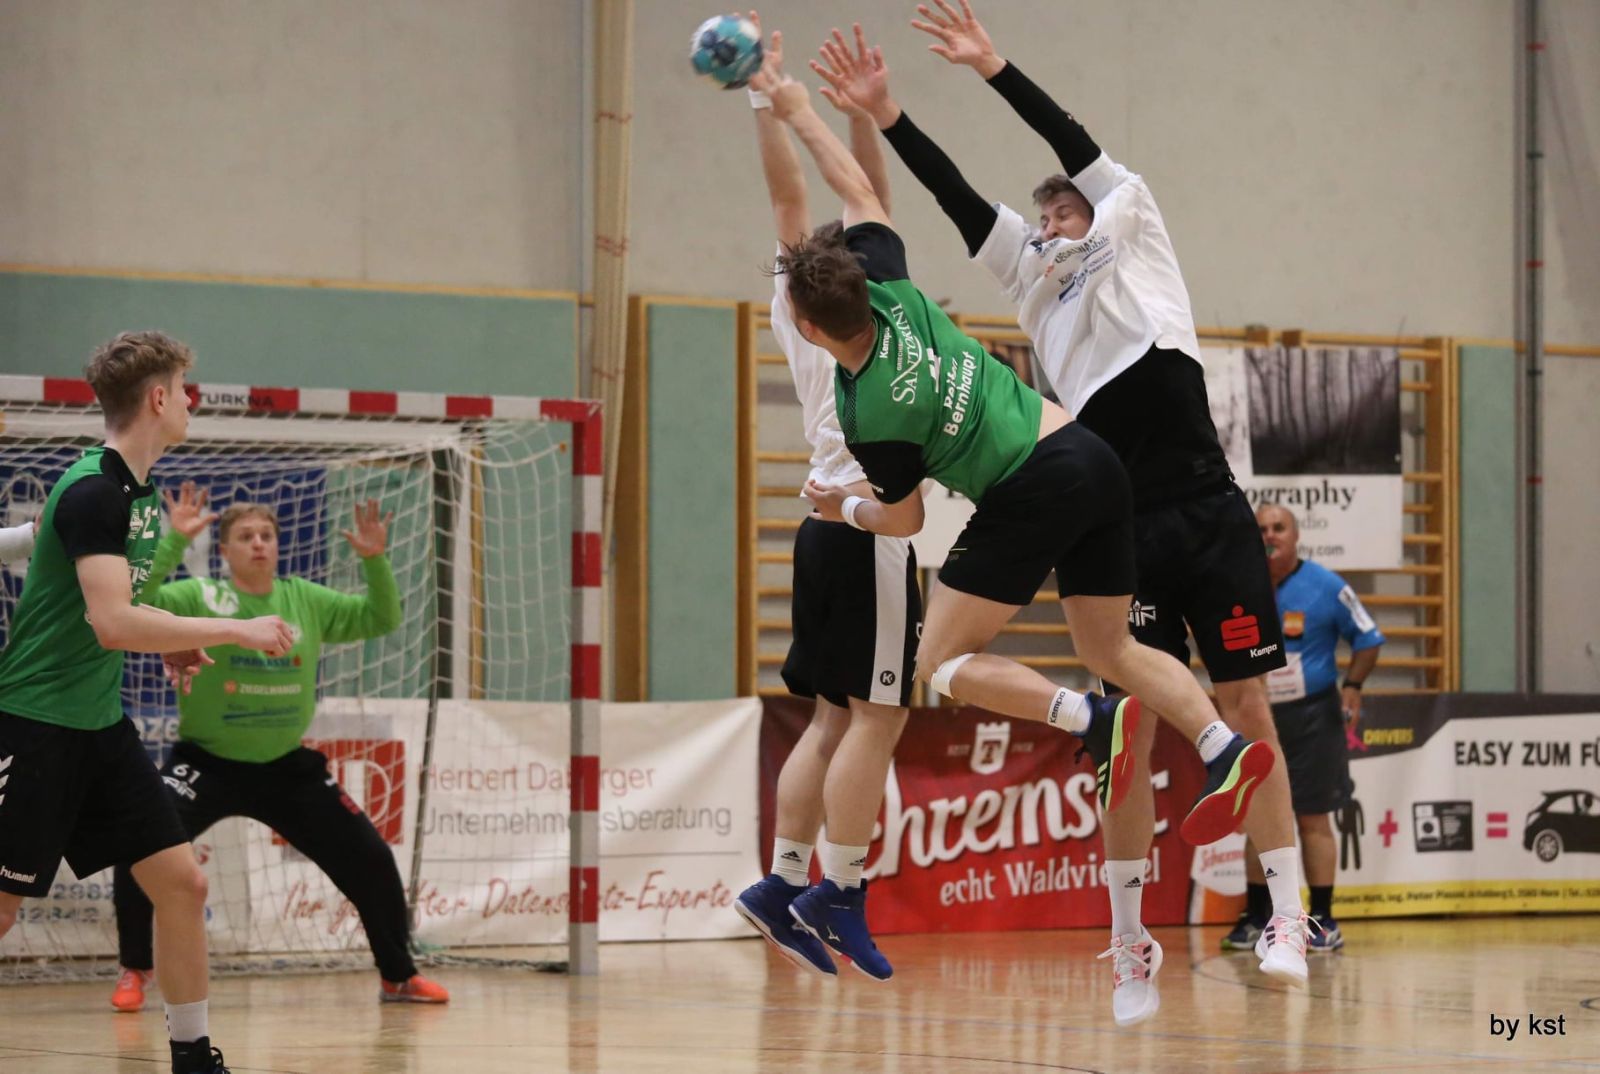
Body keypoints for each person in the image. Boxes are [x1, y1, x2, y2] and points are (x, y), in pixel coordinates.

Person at [758, 28, 1277, 1015]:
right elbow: (864, 194)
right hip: (1093, 455)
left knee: (939, 666)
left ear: (814, 332)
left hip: (1034, 483)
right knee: (1111, 645)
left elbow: (903, 515)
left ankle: (1087, 721)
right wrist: (811, 114)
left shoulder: (869, 412)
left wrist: (840, 504)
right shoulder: (896, 286)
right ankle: (1217, 744)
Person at [0, 330, 295, 1074]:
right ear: (158, 398)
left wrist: (167, 636)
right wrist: (235, 628)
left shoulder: (133, 494)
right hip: (35, 724)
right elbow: (111, 623)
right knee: (1, 909)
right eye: (185, 389)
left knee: (182, 884)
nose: (192, 400)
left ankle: (193, 1056)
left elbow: (114, 609)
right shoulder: (95, 491)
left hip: (101, 728)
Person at [732, 17, 920, 982]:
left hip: (815, 527)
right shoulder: (880, 319)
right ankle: (839, 891)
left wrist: (764, 99)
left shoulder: (797, 305)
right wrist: (856, 113)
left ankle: (782, 879)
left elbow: (793, 197)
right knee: (878, 718)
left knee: (831, 720)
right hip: (866, 523)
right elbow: (867, 197)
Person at [108, 487, 449, 1009]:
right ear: (224, 550)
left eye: (267, 535)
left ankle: (398, 977)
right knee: (139, 845)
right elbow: (136, 600)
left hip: (285, 769)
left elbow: (380, 619)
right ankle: (136, 968)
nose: (259, 544)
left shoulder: (305, 599)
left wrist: (374, 560)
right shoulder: (200, 597)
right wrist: (175, 539)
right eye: (246, 536)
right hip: (205, 763)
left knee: (372, 858)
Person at [1222, 504, 1384, 953]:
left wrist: (1353, 685)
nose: (1270, 536)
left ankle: (1323, 919)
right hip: (1258, 714)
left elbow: (1369, 638)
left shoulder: (1327, 586)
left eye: (1279, 528)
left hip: (1314, 718)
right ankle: (1257, 917)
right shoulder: (1239, 583)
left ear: (1296, 537)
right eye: (1262, 529)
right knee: (1259, 814)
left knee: (1313, 817)